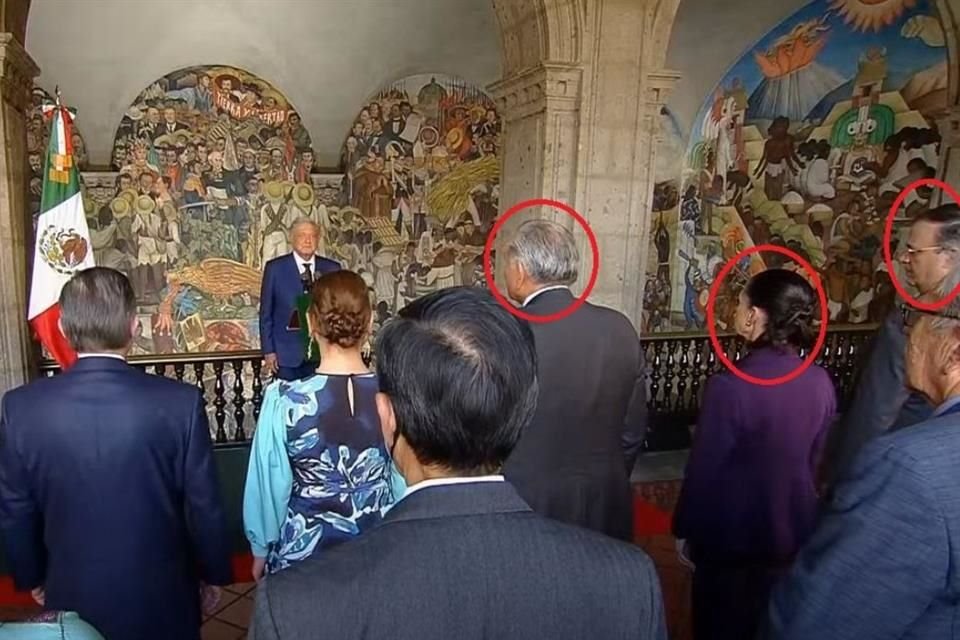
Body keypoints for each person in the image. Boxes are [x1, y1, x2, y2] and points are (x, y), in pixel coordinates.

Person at [247, 287, 667, 640]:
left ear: (387, 416)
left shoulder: (292, 610)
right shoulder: (630, 582)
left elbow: (271, 487)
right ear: (523, 408)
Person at [0, 267, 232, 640]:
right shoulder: (179, 403)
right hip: (165, 597)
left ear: (63, 329)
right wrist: (213, 574)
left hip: (70, 592)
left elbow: (15, 509)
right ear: (133, 327)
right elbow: (203, 505)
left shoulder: (21, 408)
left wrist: (34, 577)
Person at [765, 268, 960, 639]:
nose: (907, 334)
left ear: (952, 348)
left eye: (911, 317)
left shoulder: (909, 470)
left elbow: (819, 622)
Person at [673, 269, 836, 640]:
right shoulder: (820, 382)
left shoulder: (730, 386)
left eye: (741, 301)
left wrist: (685, 529)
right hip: (792, 534)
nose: (735, 309)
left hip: (731, 541)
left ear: (755, 315)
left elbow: (705, 471)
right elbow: (815, 463)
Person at [244, 270, 403, 580]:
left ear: (310, 322)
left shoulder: (285, 400)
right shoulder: (396, 398)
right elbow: (402, 482)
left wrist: (260, 549)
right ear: (370, 323)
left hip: (304, 555)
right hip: (381, 549)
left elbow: (270, 486)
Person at [500, 219, 647, 540]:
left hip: (526, 503)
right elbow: (633, 431)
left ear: (521, 269)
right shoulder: (619, 328)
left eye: (508, 264)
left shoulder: (508, 335)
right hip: (604, 500)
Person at [826, 204, 960, 485]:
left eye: (913, 252)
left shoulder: (912, 324)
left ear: (948, 258)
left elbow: (875, 411)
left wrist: (843, 483)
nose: (902, 258)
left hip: (894, 472)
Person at [260, 218, 340, 381]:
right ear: (292, 238)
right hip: (287, 356)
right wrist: (269, 351)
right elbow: (265, 313)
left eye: (312, 236)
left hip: (323, 354)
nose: (307, 240)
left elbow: (338, 310)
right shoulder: (275, 269)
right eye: (302, 235)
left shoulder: (332, 269)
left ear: (318, 240)